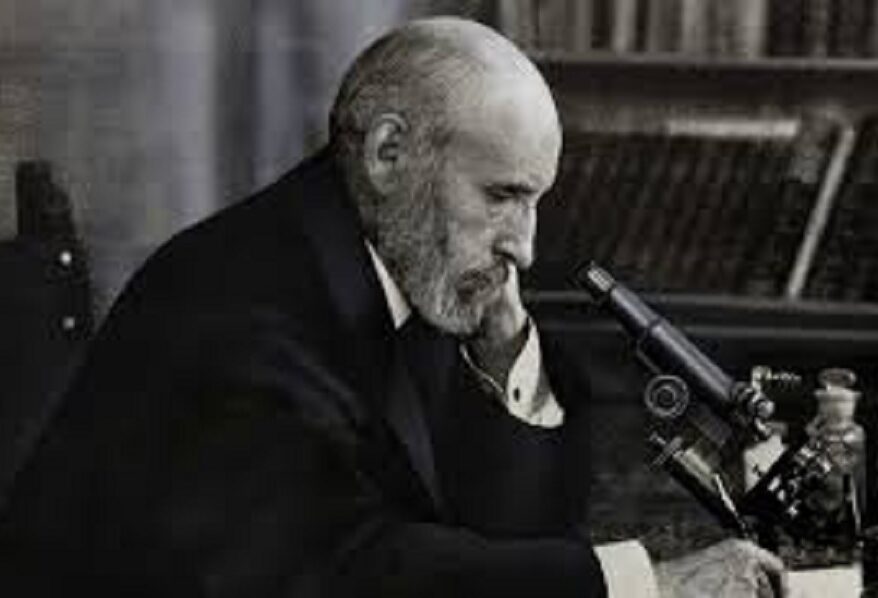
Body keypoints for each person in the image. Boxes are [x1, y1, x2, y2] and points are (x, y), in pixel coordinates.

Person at [0, 16, 786, 598]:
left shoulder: (395, 256)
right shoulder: (244, 303)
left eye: (534, 202)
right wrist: (644, 584)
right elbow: (348, 572)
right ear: (387, 153)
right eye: (502, 196)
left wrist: (505, 357)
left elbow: (506, 531)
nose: (524, 247)